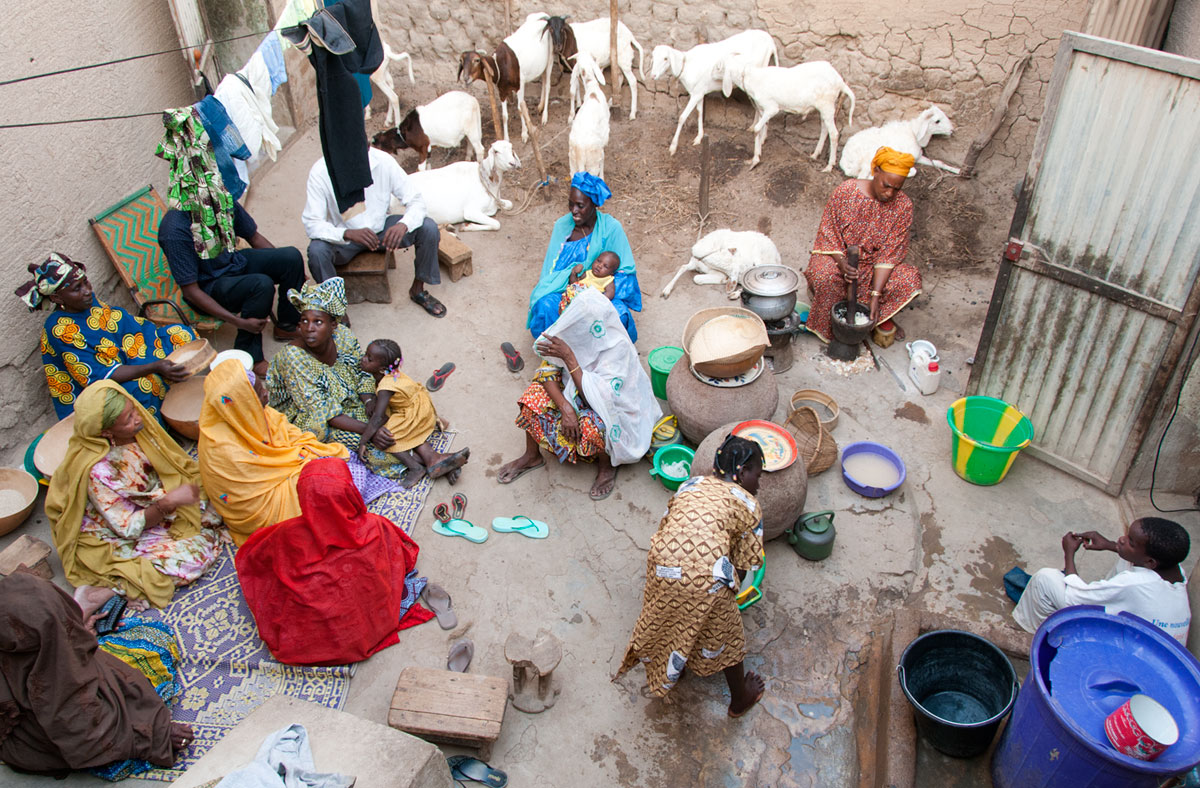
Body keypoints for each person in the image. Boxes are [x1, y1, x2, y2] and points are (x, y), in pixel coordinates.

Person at [616, 435, 767, 717]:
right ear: (743, 472)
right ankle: (740, 699)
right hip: (705, 578)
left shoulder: (690, 485)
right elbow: (744, 568)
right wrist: (724, 593)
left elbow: (669, 525)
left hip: (661, 565)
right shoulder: (748, 504)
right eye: (757, 476)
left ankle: (675, 665)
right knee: (726, 629)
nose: (758, 485)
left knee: (675, 611)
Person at [235, 459, 435, 666]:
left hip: (307, 642)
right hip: (368, 631)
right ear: (350, 492)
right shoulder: (375, 528)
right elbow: (403, 557)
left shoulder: (285, 535)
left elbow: (251, 559)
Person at [266, 278, 468, 482]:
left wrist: (369, 401)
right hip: (310, 413)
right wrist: (371, 429)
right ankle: (423, 461)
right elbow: (321, 411)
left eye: (318, 322)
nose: (309, 328)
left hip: (349, 395)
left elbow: (362, 372)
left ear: (333, 325)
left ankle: (432, 458)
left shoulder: (343, 336)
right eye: (304, 321)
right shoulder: (293, 358)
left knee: (390, 408)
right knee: (369, 442)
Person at [44, 381, 224, 608]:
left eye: (134, 409)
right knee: (194, 557)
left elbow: (173, 468)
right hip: (121, 531)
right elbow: (127, 527)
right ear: (106, 432)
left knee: (222, 498)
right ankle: (106, 591)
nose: (138, 418)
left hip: (161, 504)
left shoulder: (140, 432)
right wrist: (167, 503)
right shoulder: (99, 472)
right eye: (128, 419)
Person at [0, 572, 192, 777]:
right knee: (154, 642)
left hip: (25, 726)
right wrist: (158, 733)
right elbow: (86, 734)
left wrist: (77, 633)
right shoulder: (59, 692)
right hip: (46, 743)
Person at [499, 289, 660, 500]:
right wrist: (566, 407)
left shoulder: (618, 347)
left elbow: (602, 399)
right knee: (533, 397)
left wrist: (570, 357)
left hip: (608, 408)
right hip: (573, 397)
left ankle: (607, 465)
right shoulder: (572, 332)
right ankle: (531, 456)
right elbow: (547, 373)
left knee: (596, 423)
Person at [17, 253, 196, 419]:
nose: (87, 290)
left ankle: (179, 403)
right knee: (143, 387)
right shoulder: (61, 330)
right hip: (103, 386)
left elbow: (122, 328)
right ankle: (159, 431)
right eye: (77, 288)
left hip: (128, 354)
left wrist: (148, 359)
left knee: (181, 335)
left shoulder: (88, 303)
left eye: (85, 282)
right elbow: (102, 376)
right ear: (57, 298)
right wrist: (154, 366)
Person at [199, 357, 349, 546]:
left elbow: (286, 430)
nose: (266, 395)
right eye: (259, 393)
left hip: (280, 470)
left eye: (262, 388)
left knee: (333, 473)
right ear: (243, 403)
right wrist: (304, 459)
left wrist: (302, 451)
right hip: (262, 508)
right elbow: (262, 483)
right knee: (328, 490)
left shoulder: (242, 413)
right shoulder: (224, 451)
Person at [158, 200, 305, 368]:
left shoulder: (219, 198)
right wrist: (239, 322)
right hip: (208, 286)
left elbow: (254, 237)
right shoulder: (174, 230)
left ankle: (287, 325)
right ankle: (250, 355)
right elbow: (191, 292)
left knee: (291, 258)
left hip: (234, 263)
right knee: (261, 285)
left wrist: (294, 272)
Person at [302, 146, 445, 317]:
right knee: (317, 251)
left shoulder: (383, 161)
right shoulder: (321, 171)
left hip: (381, 231)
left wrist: (404, 224)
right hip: (344, 239)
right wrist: (346, 233)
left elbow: (416, 201)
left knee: (428, 228)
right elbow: (312, 223)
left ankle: (418, 290)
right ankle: (336, 312)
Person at [804, 146, 922, 343]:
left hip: (873, 268)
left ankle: (877, 316)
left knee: (909, 279)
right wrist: (843, 264)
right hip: (839, 260)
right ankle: (831, 319)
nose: (890, 193)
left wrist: (875, 295)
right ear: (875, 171)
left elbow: (889, 255)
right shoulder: (846, 192)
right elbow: (828, 233)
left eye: (897, 188)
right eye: (886, 185)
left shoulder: (903, 206)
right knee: (824, 275)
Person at [1013, 517, 1191, 644]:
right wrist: (1109, 545)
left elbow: (1073, 598)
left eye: (1130, 542)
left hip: (1125, 651)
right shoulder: (1176, 572)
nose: (1121, 540)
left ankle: (1032, 637)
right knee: (1126, 560)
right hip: (1142, 637)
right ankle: (1101, 595)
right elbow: (1140, 564)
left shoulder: (1135, 584)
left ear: (1151, 561)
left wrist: (1069, 553)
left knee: (1045, 578)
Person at [527, 172, 641, 341]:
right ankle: (561, 354)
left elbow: (626, 274)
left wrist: (597, 296)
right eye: (570, 204)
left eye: (580, 206)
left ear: (594, 204)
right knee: (545, 305)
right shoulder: (562, 227)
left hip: (601, 294)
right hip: (568, 291)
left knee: (619, 314)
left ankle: (602, 357)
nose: (574, 211)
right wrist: (573, 286)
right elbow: (550, 274)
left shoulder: (611, 228)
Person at [359, 339, 469, 488]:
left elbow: (377, 419)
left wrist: (363, 441)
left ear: (381, 369)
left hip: (414, 413)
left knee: (386, 437)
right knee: (398, 431)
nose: (363, 359)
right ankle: (440, 463)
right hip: (421, 407)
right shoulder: (391, 373)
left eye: (369, 359)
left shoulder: (386, 386)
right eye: (366, 354)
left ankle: (415, 467)